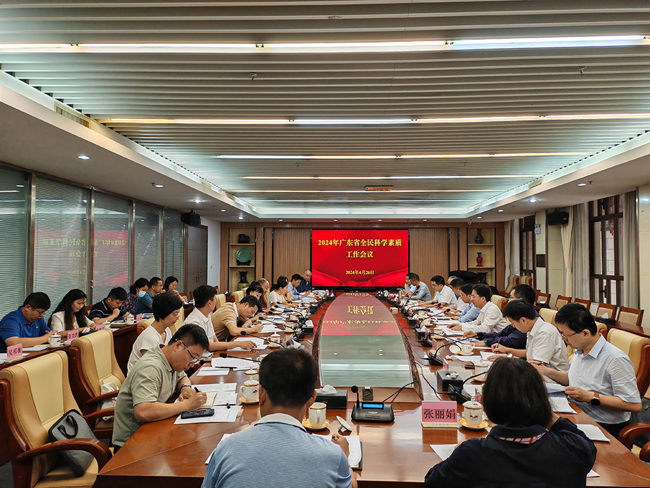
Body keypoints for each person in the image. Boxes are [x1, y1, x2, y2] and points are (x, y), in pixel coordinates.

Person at [424, 358, 596, 488]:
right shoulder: (574, 449)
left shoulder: (471, 453)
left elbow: (432, 481)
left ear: (488, 402)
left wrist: (455, 456)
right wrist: (541, 407)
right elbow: (583, 442)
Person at [202, 348, 356, 488]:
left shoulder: (225, 450)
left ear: (261, 393)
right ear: (312, 399)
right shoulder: (333, 455)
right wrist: (344, 458)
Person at [533, 303, 642, 437]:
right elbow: (572, 378)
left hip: (602, 425)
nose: (564, 339)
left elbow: (634, 405)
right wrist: (544, 370)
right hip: (577, 412)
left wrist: (590, 397)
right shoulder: (580, 350)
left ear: (585, 333)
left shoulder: (615, 359)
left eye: (566, 335)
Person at [112, 324, 209, 450]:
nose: (192, 364)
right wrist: (187, 405)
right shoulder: (150, 367)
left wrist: (185, 387)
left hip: (156, 429)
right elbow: (143, 411)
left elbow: (182, 377)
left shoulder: (171, 359)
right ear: (178, 345)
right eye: (193, 357)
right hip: (133, 444)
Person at [488, 299, 568, 373]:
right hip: (537, 375)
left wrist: (507, 358)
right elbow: (530, 353)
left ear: (523, 320)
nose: (513, 326)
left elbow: (536, 366)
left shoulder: (544, 333)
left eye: (513, 323)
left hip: (549, 380)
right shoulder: (532, 329)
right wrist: (508, 351)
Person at [184, 285, 256, 352]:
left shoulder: (206, 315)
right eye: (215, 299)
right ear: (209, 303)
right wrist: (238, 344)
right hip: (202, 358)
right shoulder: (194, 321)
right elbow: (210, 346)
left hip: (212, 353)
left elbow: (214, 339)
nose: (215, 302)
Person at [464, 283, 537, 348]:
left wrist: (486, 342)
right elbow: (502, 333)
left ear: (521, 300)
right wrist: (479, 335)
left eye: (511, 298)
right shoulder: (520, 314)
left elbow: (511, 340)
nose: (508, 301)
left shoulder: (529, 318)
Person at [127, 292, 182, 372]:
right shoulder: (149, 337)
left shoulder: (167, 330)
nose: (177, 318)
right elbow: (152, 369)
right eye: (175, 314)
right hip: (143, 377)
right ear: (163, 312)